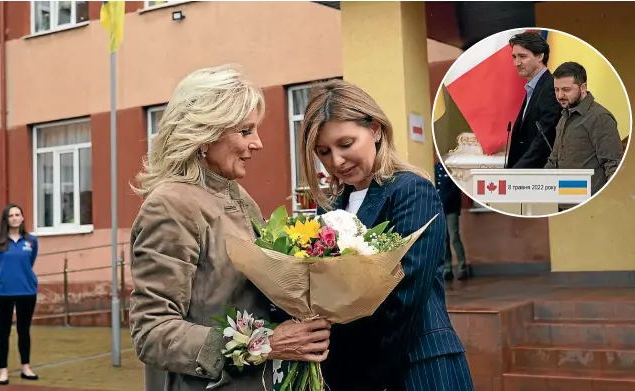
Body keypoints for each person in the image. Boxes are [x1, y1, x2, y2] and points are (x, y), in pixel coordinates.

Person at [128, 64, 331, 391]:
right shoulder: (171, 205)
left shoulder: (236, 194)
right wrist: (264, 344)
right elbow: (153, 333)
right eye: (246, 131)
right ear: (205, 134)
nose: (258, 143)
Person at [298, 79, 473, 391]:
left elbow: (407, 296)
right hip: (352, 368)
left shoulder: (412, 191)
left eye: (346, 144)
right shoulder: (328, 210)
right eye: (323, 151)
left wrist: (371, 378)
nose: (335, 161)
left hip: (417, 366)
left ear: (375, 130)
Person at [545, 61, 623, 196]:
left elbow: (613, 165)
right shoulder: (564, 117)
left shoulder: (600, 118)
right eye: (557, 89)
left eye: (566, 90)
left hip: (590, 205)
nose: (559, 96)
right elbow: (554, 160)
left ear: (583, 88)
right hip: (562, 200)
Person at [0, 204, 40, 385]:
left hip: (26, 291)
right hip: (3, 293)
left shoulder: (31, 241)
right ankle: (3, 371)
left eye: (18, 215)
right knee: (3, 332)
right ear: (6, 220)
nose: (15, 218)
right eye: (11, 215)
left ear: (23, 218)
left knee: (24, 331)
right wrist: (2, 279)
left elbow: (29, 263)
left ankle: (26, 367)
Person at [506, 31, 563, 169]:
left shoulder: (551, 87)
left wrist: (515, 173)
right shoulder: (535, 86)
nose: (517, 63)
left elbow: (544, 140)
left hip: (538, 178)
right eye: (514, 57)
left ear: (540, 56)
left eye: (522, 57)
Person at [434, 160, 469, 281]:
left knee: (454, 236)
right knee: (444, 239)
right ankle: (447, 268)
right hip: (440, 209)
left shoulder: (453, 168)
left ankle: (462, 267)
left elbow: (455, 189)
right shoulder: (436, 168)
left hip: (451, 208)